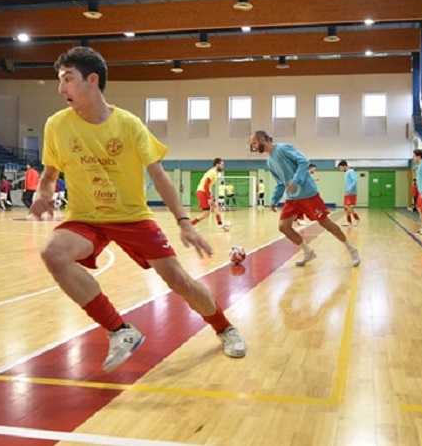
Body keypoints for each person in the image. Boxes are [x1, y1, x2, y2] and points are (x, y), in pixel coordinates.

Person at [31, 47, 246, 372]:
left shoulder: (129, 125)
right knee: (53, 252)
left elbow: (159, 177)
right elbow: (49, 176)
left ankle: (224, 327)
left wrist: (185, 222)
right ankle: (120, 330)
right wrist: (41, 194)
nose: (61, 89)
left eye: (67, 79)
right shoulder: (56, 125)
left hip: (132, 217)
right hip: (86, 218)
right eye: (59, 81)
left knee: (180, 282)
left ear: (92, 80)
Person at [250, 130, 360, 267]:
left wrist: (296, 181)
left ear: (262, 140)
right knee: (284, 227)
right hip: (292, 198)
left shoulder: (283, 148)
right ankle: (308, 251)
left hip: (308, 194)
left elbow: (304, 161)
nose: (252, 146)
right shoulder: (270, 162)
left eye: (254, 142)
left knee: (326, 223)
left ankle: (352, 249)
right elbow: (280, 182)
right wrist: (274, 199)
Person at [189, 158, 226, 228]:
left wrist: (210, 193)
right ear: (217, 164)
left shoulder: (213, 173)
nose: (223, 166)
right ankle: (189, 225)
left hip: (205, 191)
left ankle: (220, 224)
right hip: (202, 192)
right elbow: (206, 184)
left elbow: (207, 185)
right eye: (222, 164)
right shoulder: (212, 172)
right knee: (206, 213)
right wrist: (209, 198)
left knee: (216, 205)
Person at [337, 160, 360, 227]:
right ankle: (349, 222)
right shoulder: (346, 173)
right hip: (347, 193)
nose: (340, 169)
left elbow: (355, 181)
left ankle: (357, 219)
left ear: (344, 166)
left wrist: (350, 189)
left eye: (341, 168)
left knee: (348, 207)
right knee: (346, 207)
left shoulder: (351, 171)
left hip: (351, 193)